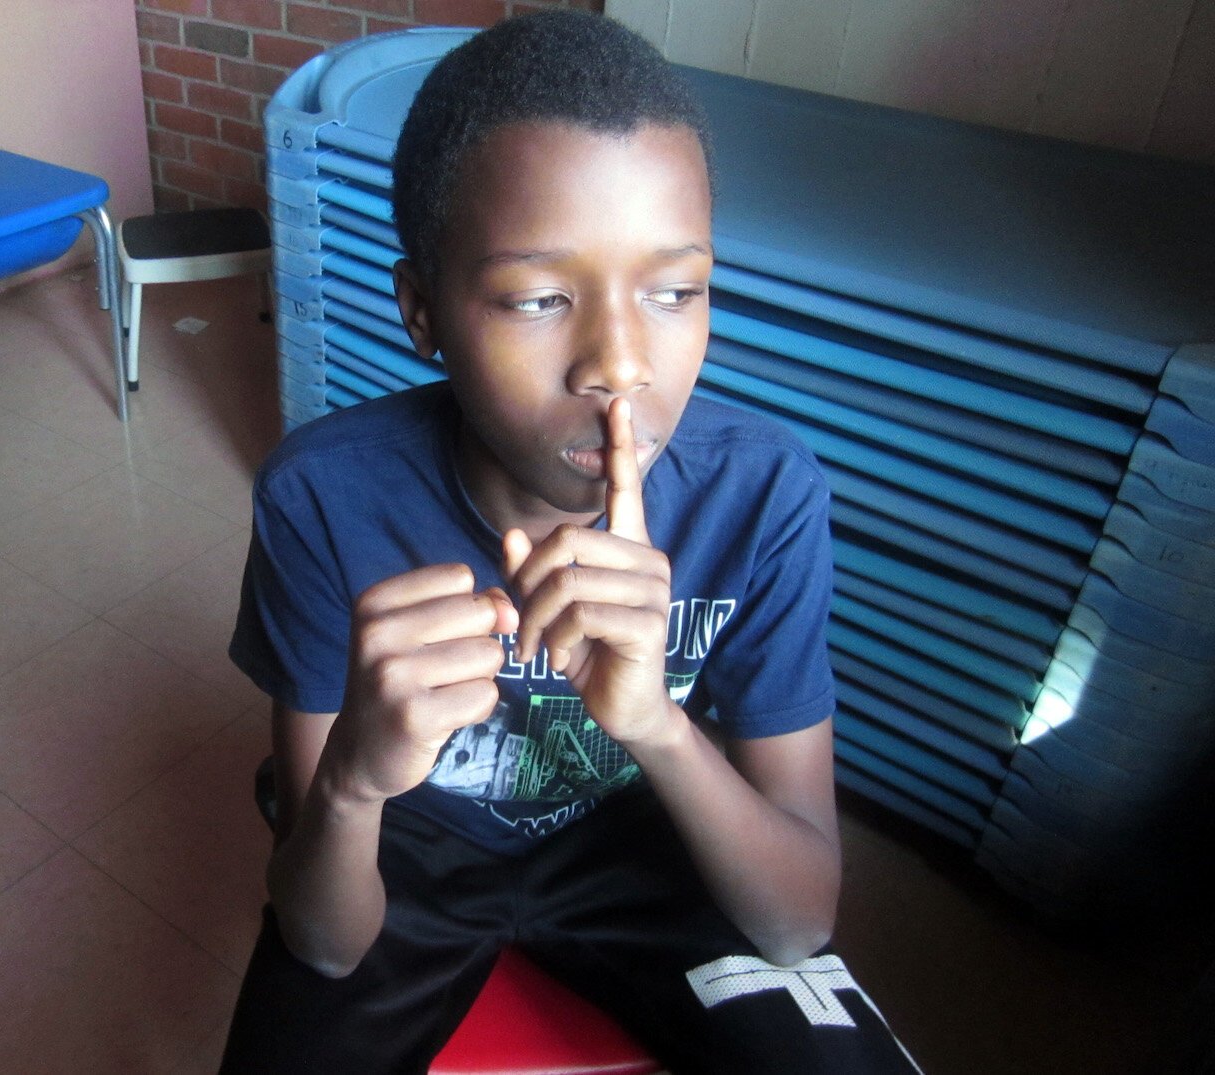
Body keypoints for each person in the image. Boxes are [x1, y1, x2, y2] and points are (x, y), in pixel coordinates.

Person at [220, 11, 920, 1073]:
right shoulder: (322, 499)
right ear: (422, 311)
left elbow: (795, 922)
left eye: (675, 291)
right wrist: (353, 783)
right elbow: (326, 942)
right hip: (409, 838)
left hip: (644, 825)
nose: (620, 365)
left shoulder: (760, 495)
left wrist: (657, 726)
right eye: (539, 298)